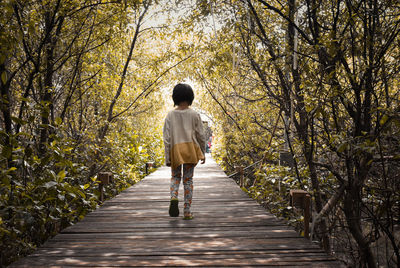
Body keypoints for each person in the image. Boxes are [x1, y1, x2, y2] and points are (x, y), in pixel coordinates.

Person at [163, 83, 206, 220]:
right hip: (190, 150)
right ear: (190, 97)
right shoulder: (194, 114)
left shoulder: (170, 115)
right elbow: (201, 135)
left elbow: (167, 138)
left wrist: (167, 157)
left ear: (175, 97)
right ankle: (187, 211)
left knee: (175, 177)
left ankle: (174, 197)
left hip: (176, 150)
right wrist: (203, 152)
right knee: (188, 180)